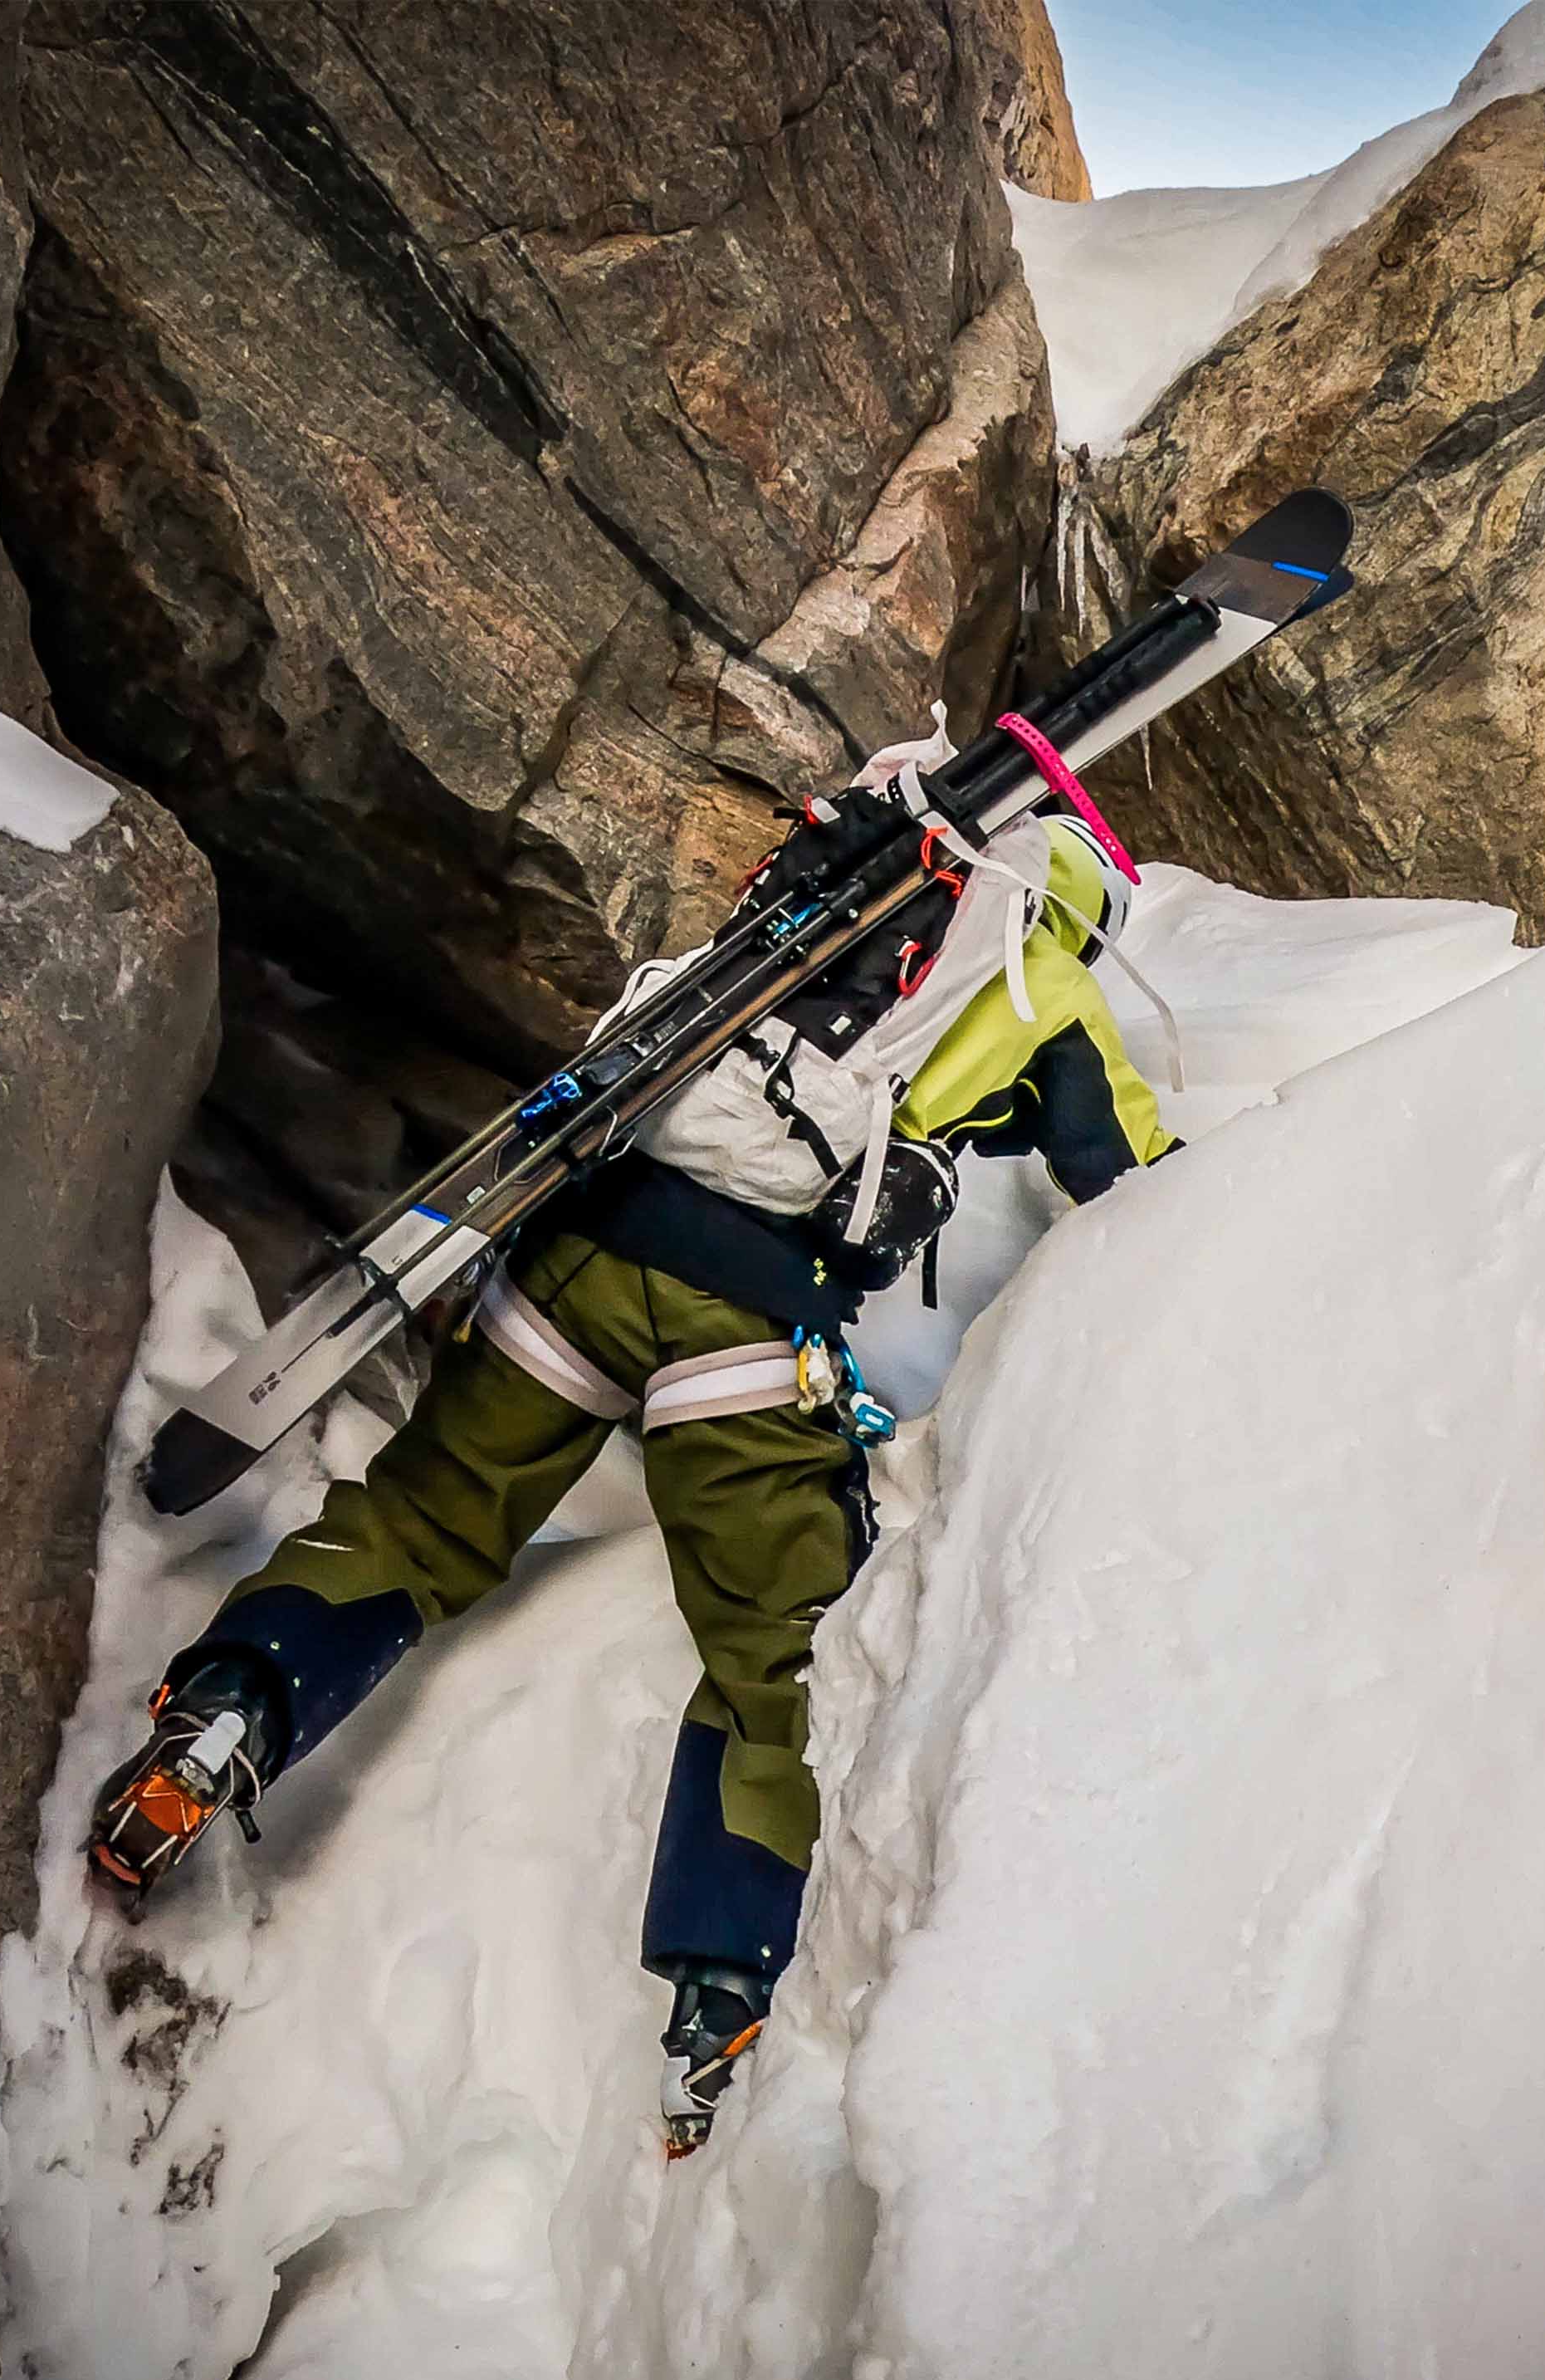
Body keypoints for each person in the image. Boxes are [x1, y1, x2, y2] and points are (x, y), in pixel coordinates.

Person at [90, 772, 1178, 2153]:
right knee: (775, 1661)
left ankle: (230, 1711)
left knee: (423, 1526)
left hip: (569, 1265)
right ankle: (717, 1999)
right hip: (738, 1339)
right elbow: (1145, 1185)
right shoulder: (1031, 984)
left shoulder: (827, 908)